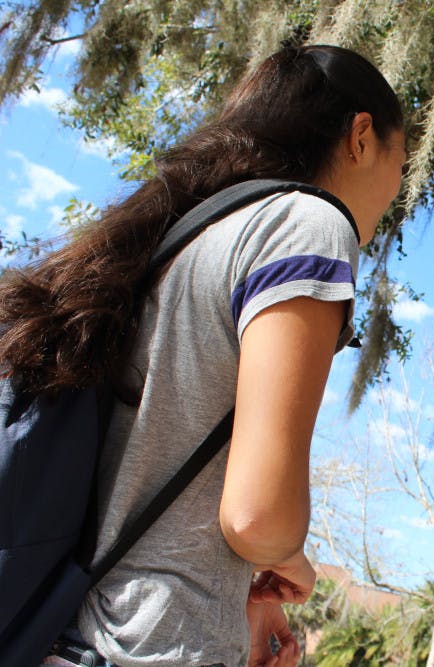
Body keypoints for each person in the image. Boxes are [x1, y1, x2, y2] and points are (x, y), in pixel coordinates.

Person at [0, 44, 406, 667]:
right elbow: (257, 516)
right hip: (154, 647)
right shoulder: (310, 224)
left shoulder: (188, 233)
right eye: (400, 160)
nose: (397, 190)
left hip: (69, 633)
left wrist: (244, 584)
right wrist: (288, 558)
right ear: (360, 137)